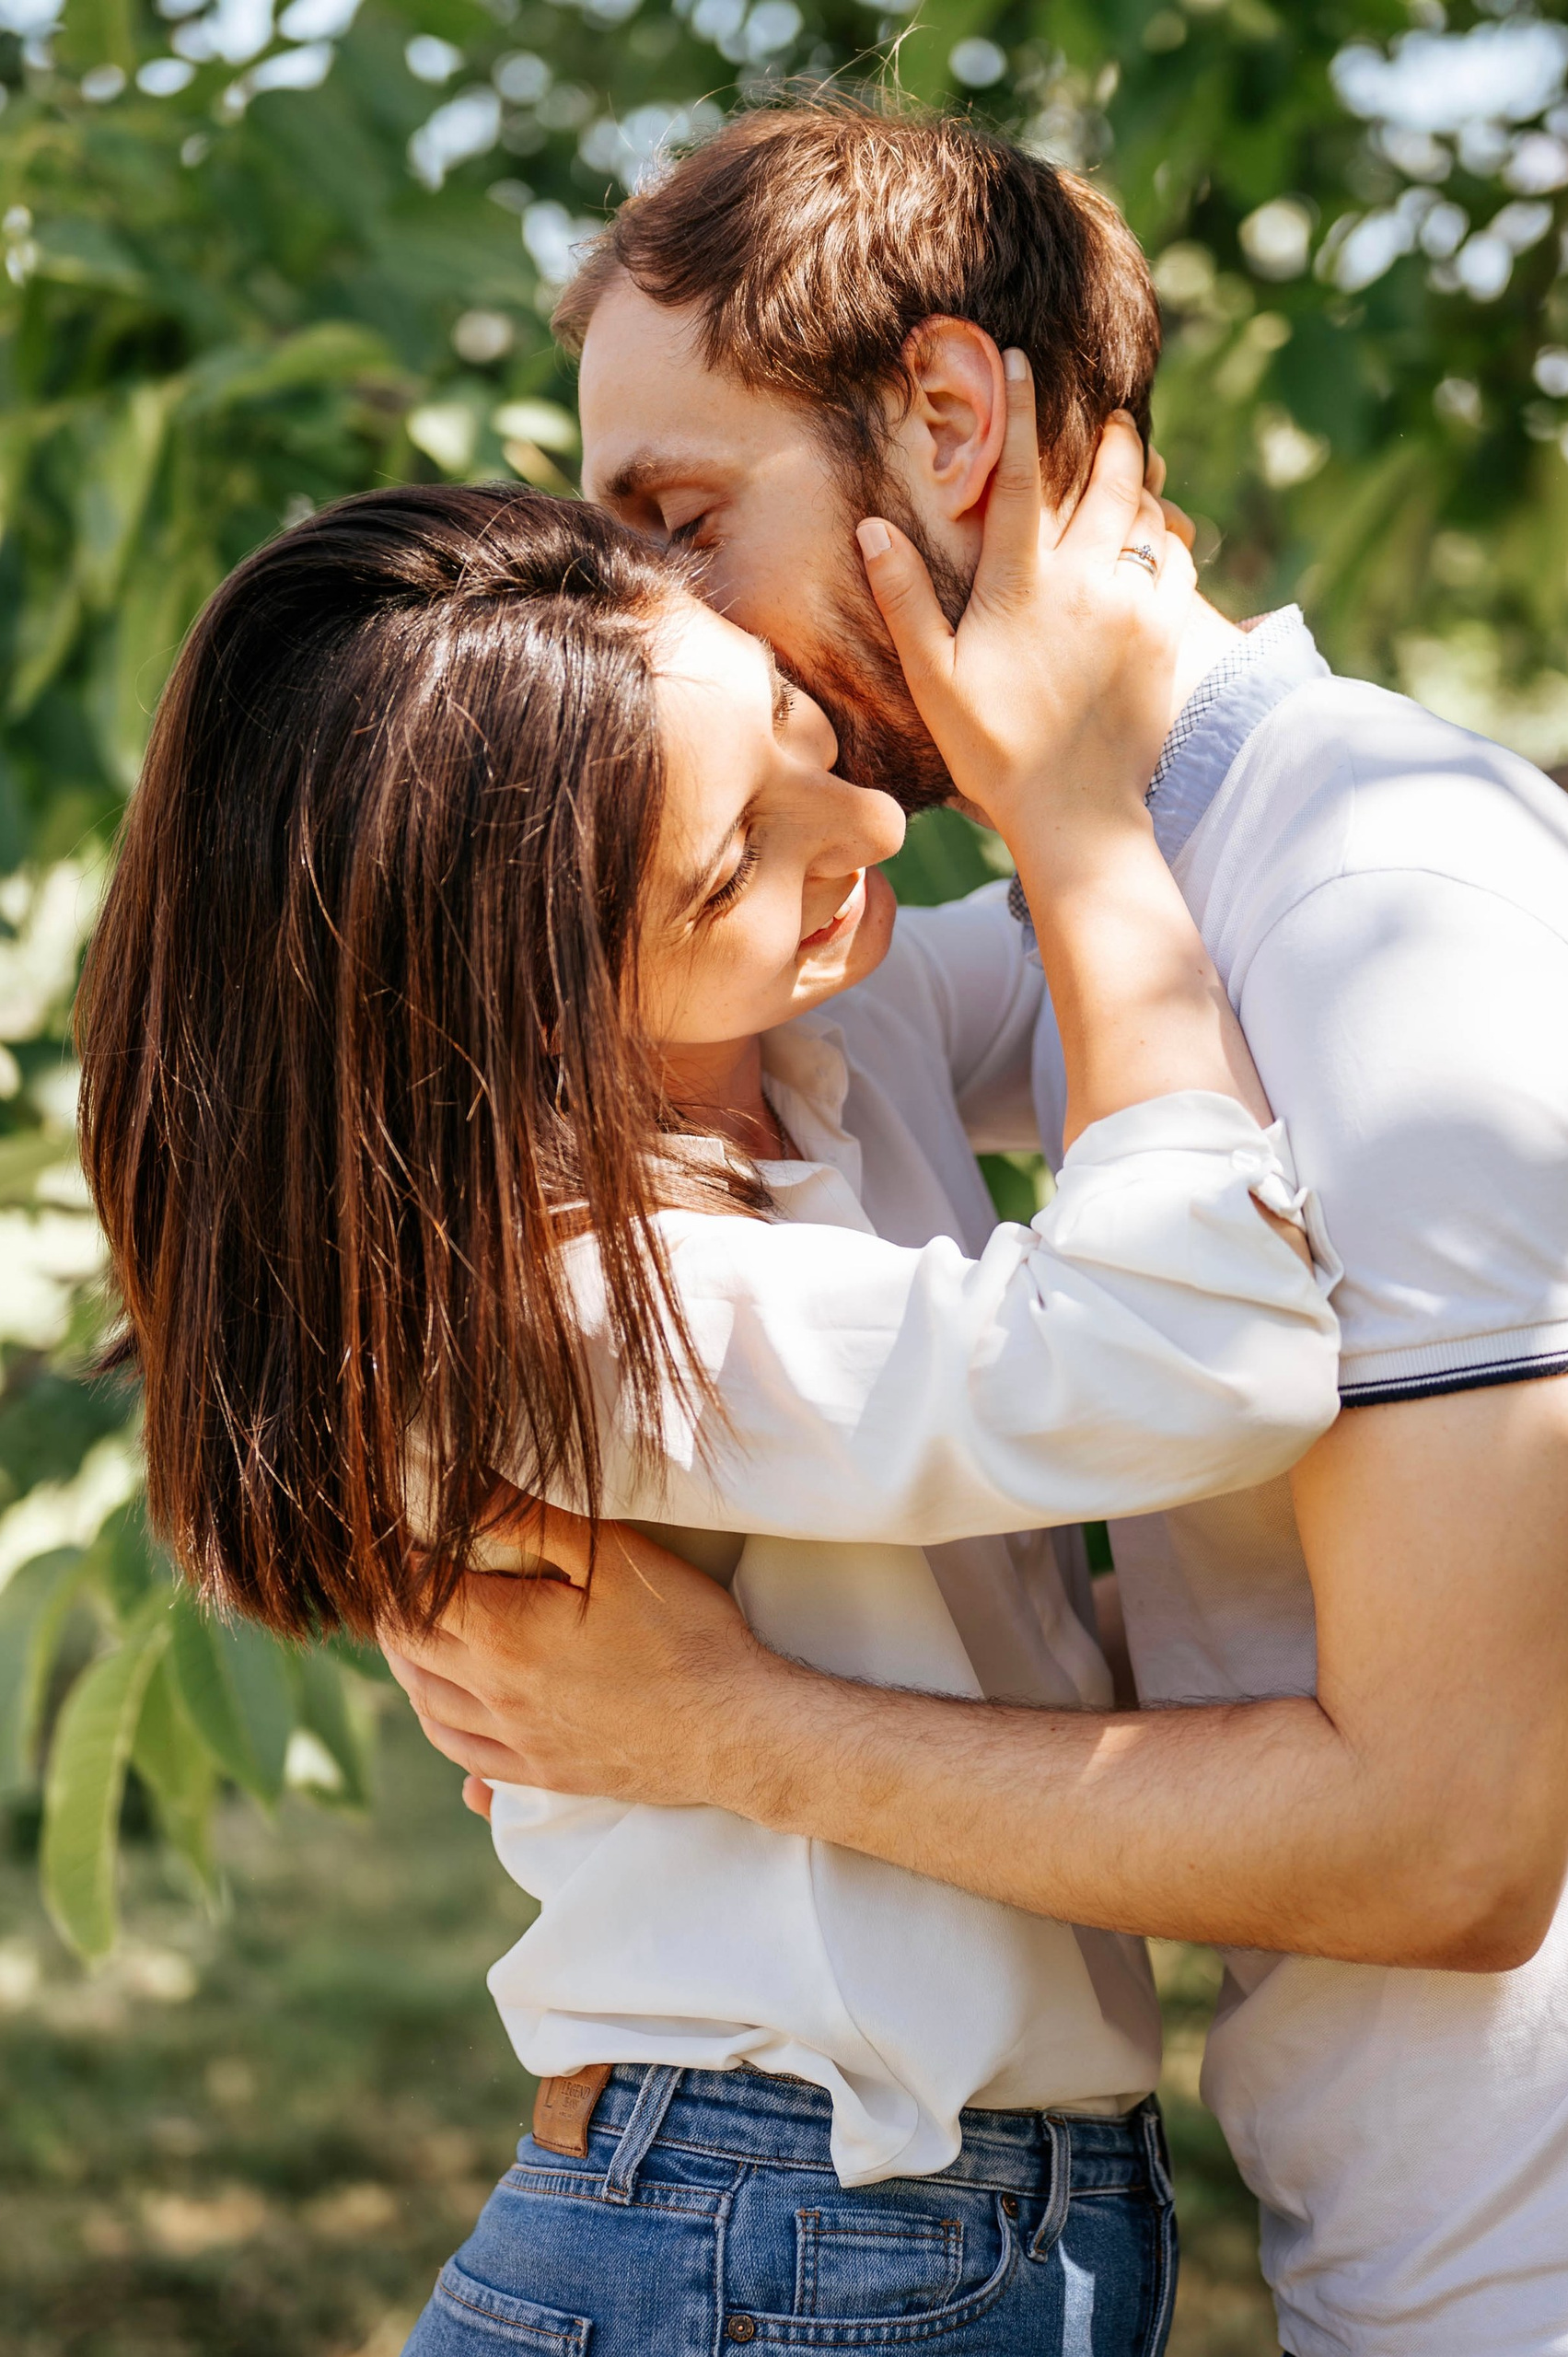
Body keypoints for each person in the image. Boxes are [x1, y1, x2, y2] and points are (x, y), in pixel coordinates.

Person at [389, 99, 1568, 2357]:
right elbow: (705, 1052)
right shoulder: (1138, 903)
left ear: (949, 422)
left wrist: (714, 1724)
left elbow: (1447, 1840)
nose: (652, 621)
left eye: (680, 522)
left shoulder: (1367, 925)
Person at [75, 402, 1346, 2356]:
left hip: (891, 2208)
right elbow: (1189, 1343)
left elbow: (1183, 965)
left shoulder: (814, 1023)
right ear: (516, 997)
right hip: (777, 2219)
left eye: (803, 736)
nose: (872, 837)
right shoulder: (571, 1323)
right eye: (733, 865)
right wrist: (1073, 819)